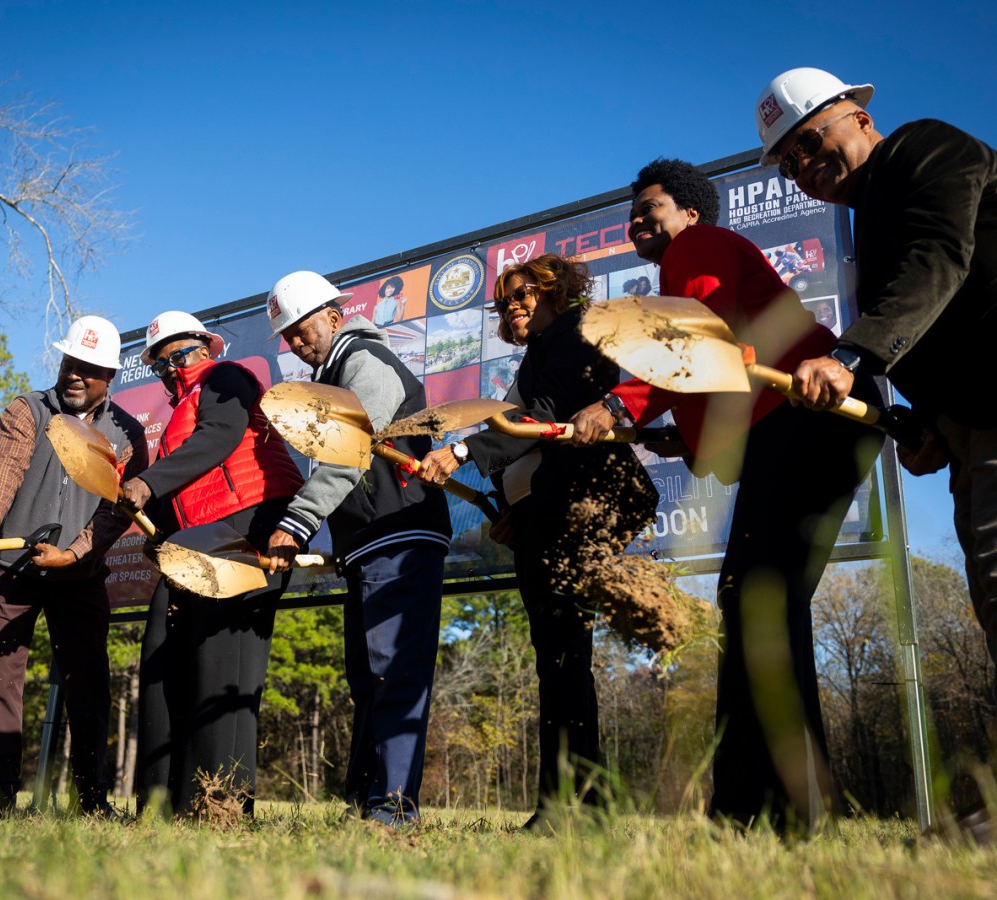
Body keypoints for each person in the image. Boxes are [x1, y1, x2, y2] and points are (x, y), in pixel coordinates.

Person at [569, 159, 884, 832]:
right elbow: (722, 375)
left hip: (819, 416)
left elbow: (690, 344)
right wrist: (687, 440)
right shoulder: (683, 263)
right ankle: (770, 806)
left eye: (648, 207)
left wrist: (618, 405)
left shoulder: (698, 246)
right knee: (761, 601)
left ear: (688, 212)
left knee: (757, 600)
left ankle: (764, 806)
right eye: (632, 212)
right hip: (807, 426)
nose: (635, 221)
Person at [756, 67, 997, 816]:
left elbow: (941, 257)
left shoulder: (926, 148)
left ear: (858, 114)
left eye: (809, 141)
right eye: (789, 162)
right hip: (971, 429)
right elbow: (932, 330)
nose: (803, 167)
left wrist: (852, 356)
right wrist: (922, 425)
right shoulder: (867, 225)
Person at [416, 253, 658, 829]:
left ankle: (572, 807)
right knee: (557, 656)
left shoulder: (576, 334)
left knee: (564, 656)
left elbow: (542, 417)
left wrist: (461, 450)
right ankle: (572, 805)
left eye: (525, 293)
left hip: (583, 507)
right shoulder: (540, 350)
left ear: (556, 292)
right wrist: (516, 513)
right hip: (543, 516)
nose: (513, 306)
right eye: (504, 302)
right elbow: (535, 441)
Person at [263, 270, 452, 827]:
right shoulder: (335, 372)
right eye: (290, 337)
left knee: (395, 670)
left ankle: (392, 807)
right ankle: (366, 801)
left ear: (335, 316)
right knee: (367, 675)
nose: (298, 343)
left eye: (305, 329)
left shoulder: (363, 360)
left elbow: (351, 450)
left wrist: (297, 521)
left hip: (400, 533)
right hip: (371, 541)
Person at [0, 315, 148, 817]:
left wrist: (75, 553)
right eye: (69, 363)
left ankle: (92, 799)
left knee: (88, 681)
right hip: (10, 568)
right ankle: (0, 801)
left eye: (89, 368)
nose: (75, 375)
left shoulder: (127, 434)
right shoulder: (27, 409)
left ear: (112, 376)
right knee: (1, 678)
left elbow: (116, 513)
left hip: (80, 574)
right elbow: (2, 466)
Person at [122, 311, 303, 818]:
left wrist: (149, 482)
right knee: (163, 649)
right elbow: (183, 483)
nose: (168, 368)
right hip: (200, 536)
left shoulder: (225, 377)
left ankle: (220, 803)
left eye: (174, 356)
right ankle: (161, 805)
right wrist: (153, 518)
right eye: (159, 363)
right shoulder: (180, 409)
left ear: (203, 346)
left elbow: (221, 437)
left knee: (225, 664)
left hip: (250, 524)